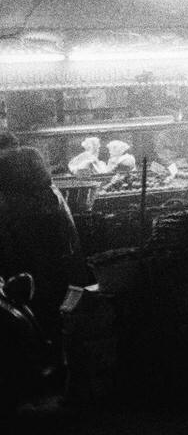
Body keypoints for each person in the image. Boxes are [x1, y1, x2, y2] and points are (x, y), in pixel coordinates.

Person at [0, 143, 87, 354]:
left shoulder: (14, 204)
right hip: (63, 274)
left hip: (33, 280)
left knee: (42, 330)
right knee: (62, 326)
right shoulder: (50, 193)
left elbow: (11, 251)